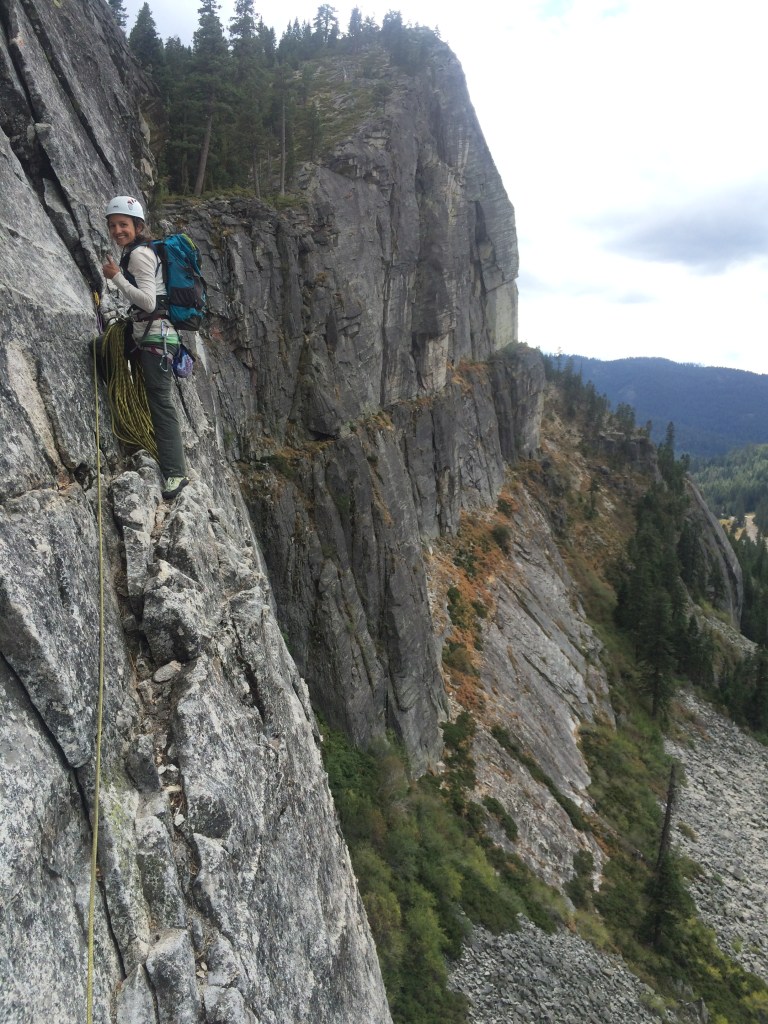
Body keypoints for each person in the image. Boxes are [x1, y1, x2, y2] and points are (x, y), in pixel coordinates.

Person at [101, 196, 189, 500]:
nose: (117, 230)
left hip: (156, 337)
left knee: (161, 404)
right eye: (113, 225)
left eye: (123, 224)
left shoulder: (139, 256)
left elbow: (149, 302)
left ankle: (176, 473)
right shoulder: (138, 252)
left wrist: (117, 279)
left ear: (138, 226)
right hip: (152, 335)